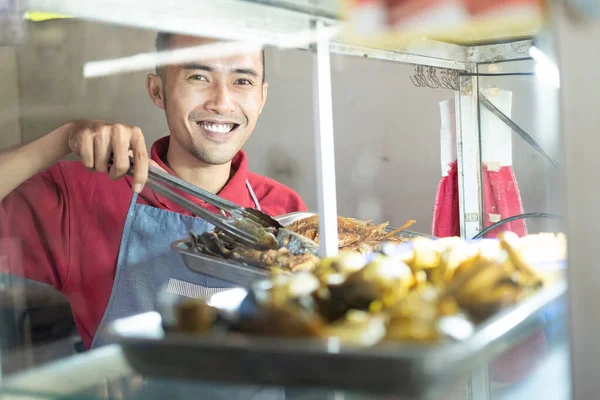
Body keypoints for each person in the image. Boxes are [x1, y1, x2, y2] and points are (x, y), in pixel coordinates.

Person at [0, 32, 307, 349]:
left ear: (261, 97)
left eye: (242, 81)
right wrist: (63, 138)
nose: (221, 102)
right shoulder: (85, 192)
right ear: (157, 90)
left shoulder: (286, 211)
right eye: (198, 76)